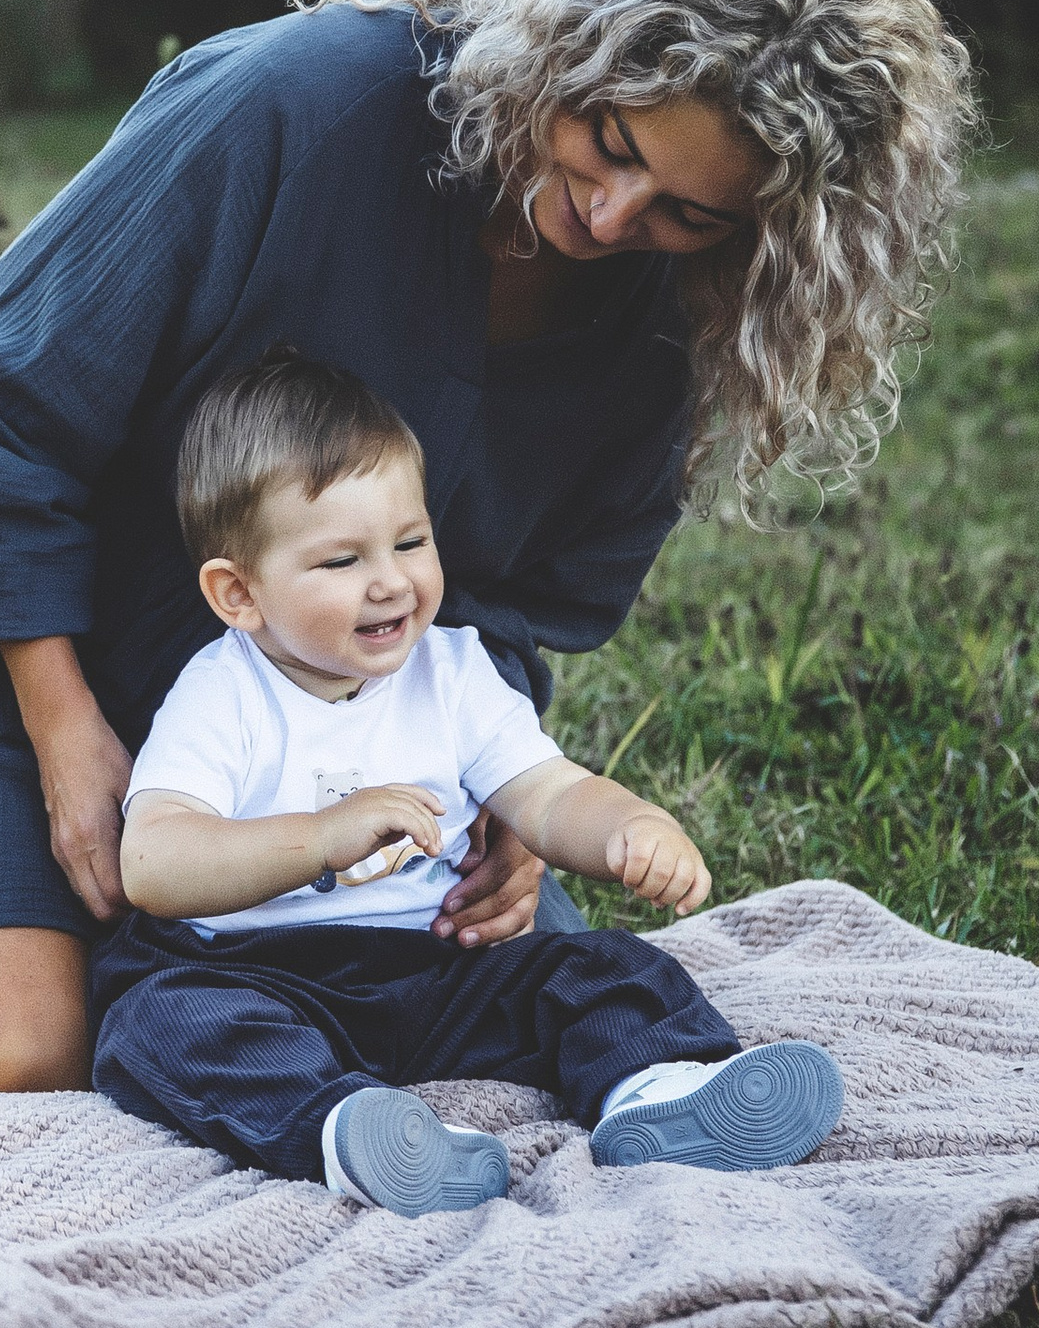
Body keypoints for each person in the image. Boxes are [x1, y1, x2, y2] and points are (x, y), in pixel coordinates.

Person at [0, 0, 973, 1093]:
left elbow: (518, 605)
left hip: (330, 700)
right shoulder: (292, 105)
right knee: (28, 1058)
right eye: (607, 143)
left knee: (474, 1024)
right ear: (571, 53)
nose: (611, 217)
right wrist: (71, 744)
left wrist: (500, 796)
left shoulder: (675, 316)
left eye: (687, 212)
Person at [95, 350, 843, 1209]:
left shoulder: (452, 672)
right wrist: (320, 839)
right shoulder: (221, 693)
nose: (391, 581)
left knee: (599, 968)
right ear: (240, 595)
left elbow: (549, 792)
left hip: (433, 966)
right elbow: (153, 865)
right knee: (167, 1023)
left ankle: (657, 1091)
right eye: (341, 562)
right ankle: (346, 1131)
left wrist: (628, 828)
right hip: (254, 973)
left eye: (411, 542)